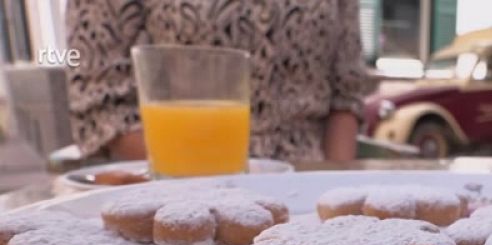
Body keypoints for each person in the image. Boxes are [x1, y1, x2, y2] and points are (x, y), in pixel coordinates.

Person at [66, 0, 371, 162]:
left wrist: (327, 189)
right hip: (177, 189)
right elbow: (99, 103)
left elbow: (346, 92)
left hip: (303, 191)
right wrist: (196, 173)